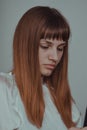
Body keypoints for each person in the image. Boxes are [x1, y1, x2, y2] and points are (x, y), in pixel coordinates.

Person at [0, 6, 86, 130]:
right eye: (45, 46)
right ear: (26, 45)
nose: (55, 57)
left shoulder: (62, 100)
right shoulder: (5, 89)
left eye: (60, 48)